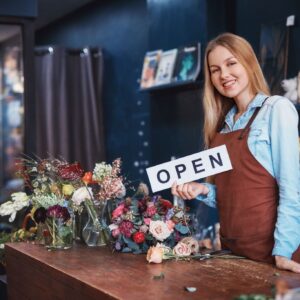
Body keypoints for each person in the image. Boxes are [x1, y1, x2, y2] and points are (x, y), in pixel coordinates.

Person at [171, 33, 300, 273]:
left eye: (231, 63)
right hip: (234, 254)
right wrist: (202, 190)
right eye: (215, 69)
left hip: (274, 257)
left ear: (248, 62)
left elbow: (292, 189)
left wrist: (283, 253)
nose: (224, 75)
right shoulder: (221, 126)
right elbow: (238, 192)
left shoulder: (276, 109)